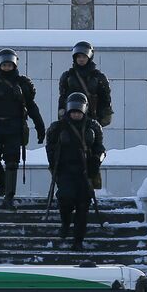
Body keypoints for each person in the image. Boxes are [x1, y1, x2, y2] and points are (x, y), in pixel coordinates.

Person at [0, 49, 46, 209]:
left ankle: (9, 195)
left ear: (14, 65)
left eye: (9, 65)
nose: (6, 67)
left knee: (12, 161)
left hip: (15, 127)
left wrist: (39, 125)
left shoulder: (23, 84)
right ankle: (3, 185)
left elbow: (31, 106)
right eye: (4, 65)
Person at [45, 92, 105, 250]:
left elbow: (100, 148)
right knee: (65, 199)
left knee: (83, 206)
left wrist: (97, 160)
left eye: (79, 111)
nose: (76, 114)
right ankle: (65, 223)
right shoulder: (57, 127)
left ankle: (78, 240)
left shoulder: (93, 126)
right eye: (73, 111)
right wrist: (54, 165)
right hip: (65, 170)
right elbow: (50, 148)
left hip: (85, 171)